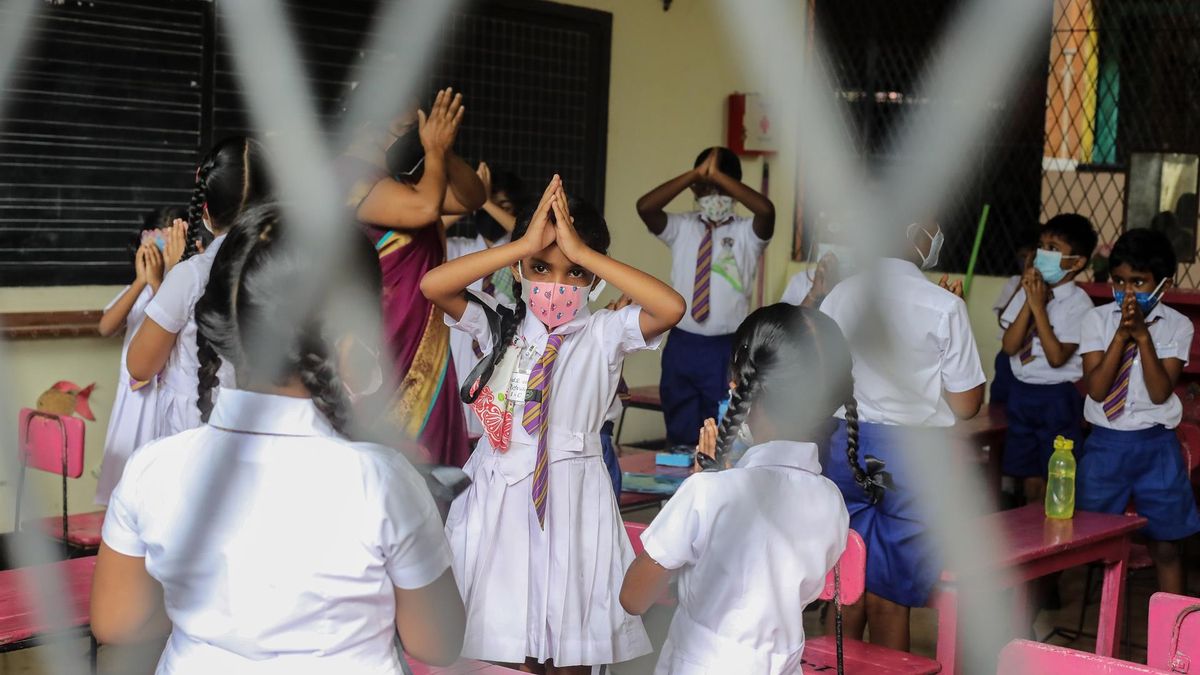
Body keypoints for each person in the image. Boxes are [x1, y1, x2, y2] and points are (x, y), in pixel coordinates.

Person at [92, 204, 466, 673]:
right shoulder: (383, 481)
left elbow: (116, 623)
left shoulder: (154, 468)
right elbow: (438, 643)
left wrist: (217, 615)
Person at [422, 176, 682, 673]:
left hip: (574, 498)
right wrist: (520, 246)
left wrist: (585, 252)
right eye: (541, 268)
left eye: (573, 273)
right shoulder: (497, 321)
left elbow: (671, 307)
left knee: (572, 642)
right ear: (520, 269)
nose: (556, 286)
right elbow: (433, 284)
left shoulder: (606, 333)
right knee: (500, 633)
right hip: (499, 494)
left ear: (592, 279)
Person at [620, 304, 854, 674]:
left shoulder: (709, 493)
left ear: (739, 387)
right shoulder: (831, 501)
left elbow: (634, 598)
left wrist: (700, 488)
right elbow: (792, 591)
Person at [819, 221, 986, 652]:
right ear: (918, 237)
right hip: (912, 460)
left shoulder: (841, 295)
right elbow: (967, 404)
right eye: (934, 230)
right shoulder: (944, 306)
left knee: (844, 579)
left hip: (847, 445)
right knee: (891, 597)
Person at [338, 88, 486, 466]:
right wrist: (433, 153)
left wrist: (444, 153)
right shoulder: (347, 175)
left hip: (426, 335)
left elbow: (473, 197)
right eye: (406, 127)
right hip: (380, 338)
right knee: (385, 457)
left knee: (434, 458)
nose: (414, 136)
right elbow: (423, 210)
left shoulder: (408, 180)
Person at [1079, 228, 1200, 596]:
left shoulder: (1178, 325)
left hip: (1157, 448)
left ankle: (1173, 647)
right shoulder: (1096, 321)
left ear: (1164, 284)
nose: (1127, 291)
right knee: (1087, 541)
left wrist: (1143, 337)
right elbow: (1098, 389)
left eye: (1139, 282)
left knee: (1166, 546)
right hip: (1104, 447)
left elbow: (1161, 390)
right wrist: (1120, 335)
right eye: (1119, 280)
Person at [127, 137, 271, 438]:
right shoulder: (285, 266)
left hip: (192, 431)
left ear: (204, 211)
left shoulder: (189, 275)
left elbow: (139, 366)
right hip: (264, 428)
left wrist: (169, 277)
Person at [637, 146, 775, 447]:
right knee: (680, 425)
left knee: (725, 427)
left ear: (735, 188)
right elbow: (645, 207)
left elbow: (766, 211)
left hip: (726, 347)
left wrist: (717, 178)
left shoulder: (746, 234)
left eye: (721, 186)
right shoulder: (682, 227)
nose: (713, 194)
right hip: (683, 342)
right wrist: (694, 175)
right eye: (705, 187)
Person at [999, 214, 1096, 501]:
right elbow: (1010, 345)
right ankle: (1031, 519)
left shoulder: (1079, 305)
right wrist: (1030, 301)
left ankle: (1051, 528)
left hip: (1057, 398)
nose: (1043, 254)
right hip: (1021, 393)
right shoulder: (1028, 291)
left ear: (1076, 263)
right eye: (1042, 245)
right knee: (1027, 469)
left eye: (1054, 248)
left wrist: (1039, 308)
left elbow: (1056, 357)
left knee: (1053, 468)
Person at [94, 208, 184, 504]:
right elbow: (106, 326)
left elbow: (166, 326)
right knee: (122, 487)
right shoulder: (137, 293)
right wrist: (142, 281)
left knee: (151, 487)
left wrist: (159, 282)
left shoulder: (178, 294)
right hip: (130, 404)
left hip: (158, 403)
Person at [444, 162, 524, 438]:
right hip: (459, 358)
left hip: (503, 362)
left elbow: (528, 236)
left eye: (504, 205)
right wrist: (472, 198)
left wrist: (486, 201)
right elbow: (427, 228)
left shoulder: (520, 254)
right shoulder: (460, 249)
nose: (493, 210)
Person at [989, 238, 1036, 406]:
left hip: (1033, 359)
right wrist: (1024, 280)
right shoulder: (1014, 282)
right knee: (1000, 404)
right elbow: (1003, 319)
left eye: (1031, 257)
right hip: (1007, 356)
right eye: (1023, 256)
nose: (1026, 261)